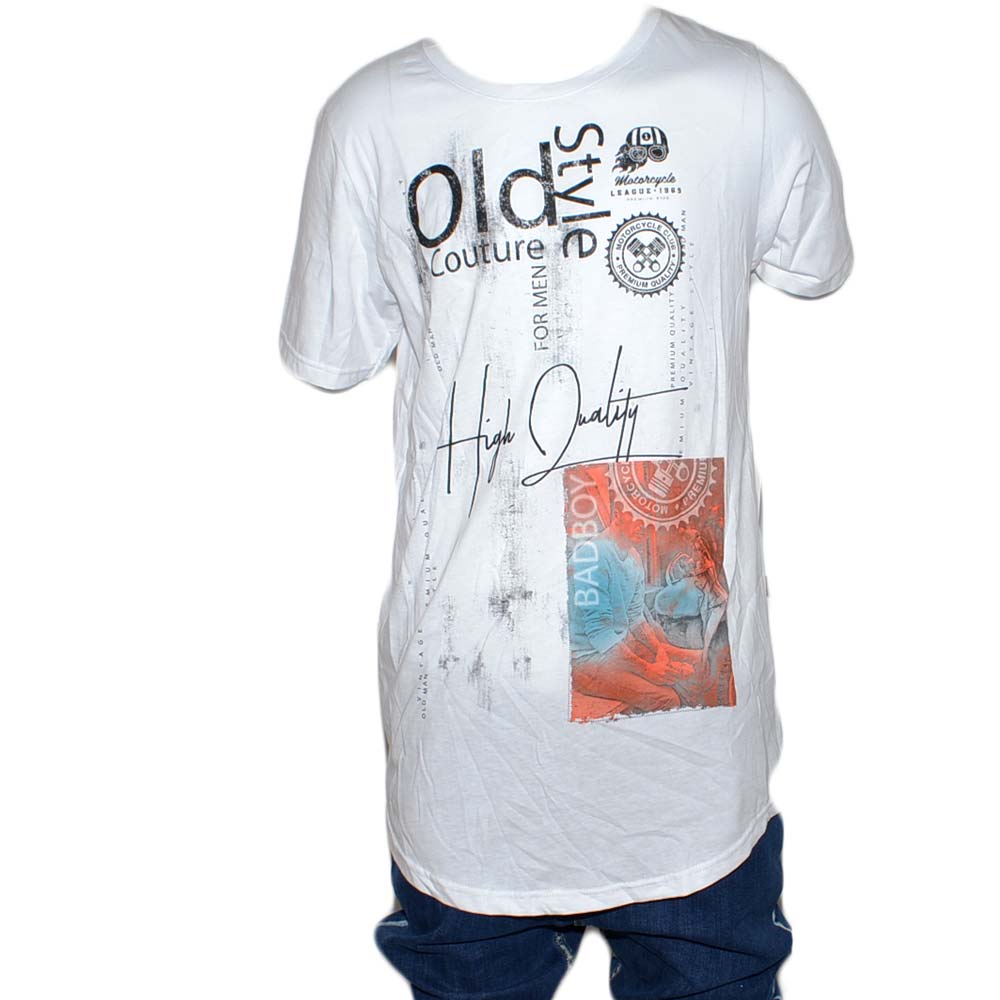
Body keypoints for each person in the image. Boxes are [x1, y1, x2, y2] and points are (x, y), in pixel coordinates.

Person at [279, 7, 853, 997]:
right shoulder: (373, 118)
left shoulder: (740, 93)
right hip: (473, 722)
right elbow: (334, 352)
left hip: (668, 681)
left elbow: (815, 260)